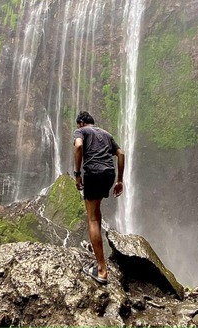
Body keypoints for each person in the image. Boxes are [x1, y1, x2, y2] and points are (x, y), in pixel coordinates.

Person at [73, 111, 124, 284]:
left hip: (93, 173)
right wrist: (120, 181)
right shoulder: (106, 134)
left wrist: (77, 174)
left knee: (92, 219)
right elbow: (121, 154)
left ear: (80, 123)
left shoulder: (81, 132)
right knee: (96, 210)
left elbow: (79, 146)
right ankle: (95, 247)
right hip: (109, 174)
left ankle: (101, 270)